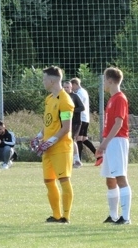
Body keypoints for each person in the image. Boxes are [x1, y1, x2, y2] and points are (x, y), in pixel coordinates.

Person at [34, 66, 75, 223]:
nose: (43, 82)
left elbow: (66, 128)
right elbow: (49, 123)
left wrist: (51, 141)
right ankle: (56, 215)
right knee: (48, 181)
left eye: (44, 79)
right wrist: (39, 136)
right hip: (48, 148)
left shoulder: (65, 100)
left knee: (63, 179)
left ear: (52, 81)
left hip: (61, 147)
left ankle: (66, 216)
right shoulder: (49, 99)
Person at [96, 67, 132, 224]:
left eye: (105, 80)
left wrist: (104, 143)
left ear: (110, 81)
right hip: (111, 141)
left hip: (117, 141)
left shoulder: (120, 98)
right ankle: (113, 215)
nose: (103, 83)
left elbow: (119, 123)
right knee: (110, 180)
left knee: (120, 177)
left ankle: (126, 217)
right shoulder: (112, 99)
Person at [70, 77, 96, 163]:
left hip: (81, 118)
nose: (71, 88)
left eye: (72, 86)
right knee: (84, 139)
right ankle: (98, 155)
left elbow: (78, 105)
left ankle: (78, 160)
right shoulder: (84, 91)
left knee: (78, 139)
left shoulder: (79, 93)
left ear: (75, 84)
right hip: (86, 118)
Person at [62, 80, 85, 168]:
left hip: (75, 122)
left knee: (71, 139)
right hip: (66, 122)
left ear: (71, 88)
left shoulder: (74, 96)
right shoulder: (61, 97)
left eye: (67, 87)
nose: (66, 89)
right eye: (64, 87)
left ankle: (77, 160)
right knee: (65, 140)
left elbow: (82, 107)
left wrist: (72, 110)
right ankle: (69, 160)